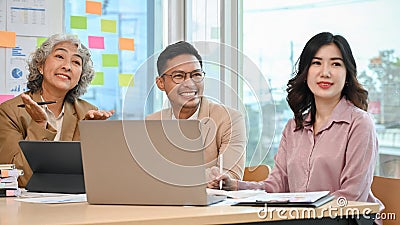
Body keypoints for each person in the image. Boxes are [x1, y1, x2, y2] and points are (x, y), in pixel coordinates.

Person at [209, 32, 383, 211]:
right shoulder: (293, 127)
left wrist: (303, 212)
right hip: (301, 217)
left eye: (336, 64)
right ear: (306, 72)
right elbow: (277, 186)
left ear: (347, 74)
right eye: (316, 63)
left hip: (346, 218)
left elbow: (352, 195)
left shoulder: (360, 123)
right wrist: (235, 186)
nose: (325, 72)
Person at [0, 34, 114, 187]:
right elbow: (13, 178)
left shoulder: (89, 112)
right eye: (60, 56)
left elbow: (96, 176)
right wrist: (39, 125)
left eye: (76, 62)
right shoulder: (9, 111)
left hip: (75, 204)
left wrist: (88, 135)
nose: (67, 66)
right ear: (40, 65)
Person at [146, 41, 246, 180]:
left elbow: (230, 177)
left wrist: (170, 176)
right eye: (179, 76)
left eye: (196, 75)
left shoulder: (229, 119)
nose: (189, 83)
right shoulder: (151, 122)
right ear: (161, 83)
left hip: (207, 201)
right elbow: (144, 175)